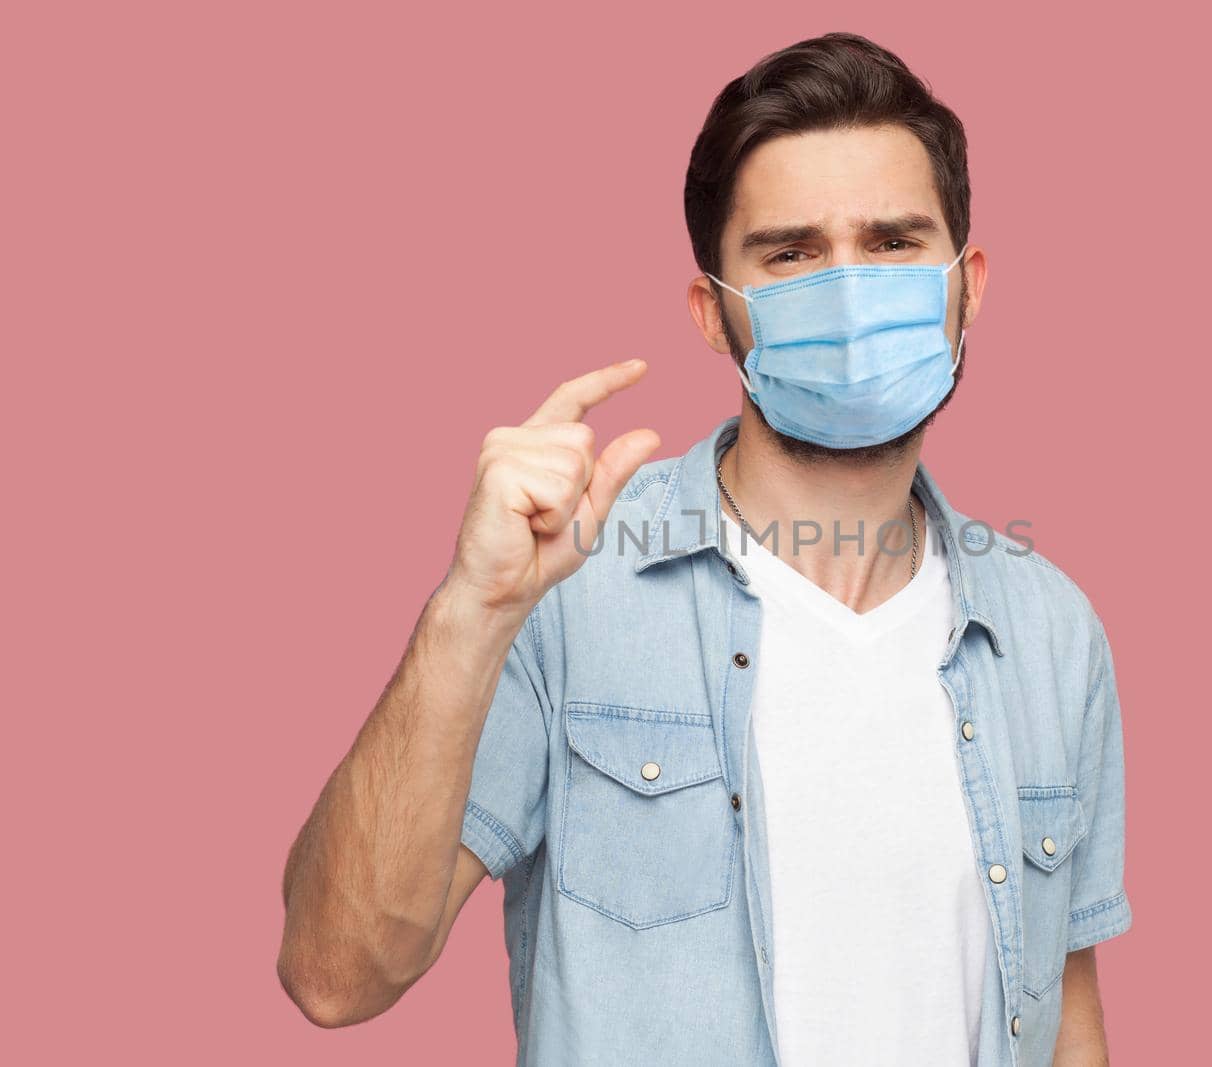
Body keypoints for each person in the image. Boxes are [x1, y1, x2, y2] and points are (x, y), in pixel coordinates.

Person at [277, 31, 1131, 1067]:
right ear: (715, 315)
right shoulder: (567, 594)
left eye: (894, 241)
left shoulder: (1052, 633)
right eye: (792, 252)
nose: (851, 293)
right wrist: (471, 610)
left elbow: (1065, 1024)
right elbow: (336, 972)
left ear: (967, 284)